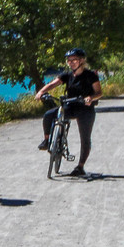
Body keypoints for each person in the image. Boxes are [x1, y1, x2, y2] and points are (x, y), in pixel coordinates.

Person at [35, 47, 100, 176]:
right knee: (48, 115)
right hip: (70, 107)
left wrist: (91, 98)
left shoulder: (90, 75)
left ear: (81, 61)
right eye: (69, 60)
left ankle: (80, 167)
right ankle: (47, 140)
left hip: (85, 109)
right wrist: (42, 91)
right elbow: (53, 84)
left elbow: (99, 92)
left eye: (74, 60)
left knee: (85, 138)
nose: (71, 63)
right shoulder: (67, 75)